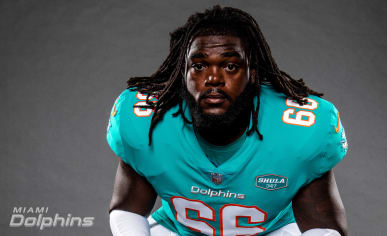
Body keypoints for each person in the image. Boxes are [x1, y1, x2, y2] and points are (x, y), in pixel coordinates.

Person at [107, 5, 348, 236]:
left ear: (252, 73)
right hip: (179, 231)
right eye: (199, 65)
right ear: (183, 72)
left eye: (230, 66)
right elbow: (128, 209)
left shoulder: (300, 132)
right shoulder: (146, 123)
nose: (213, 78)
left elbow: (324, 227)